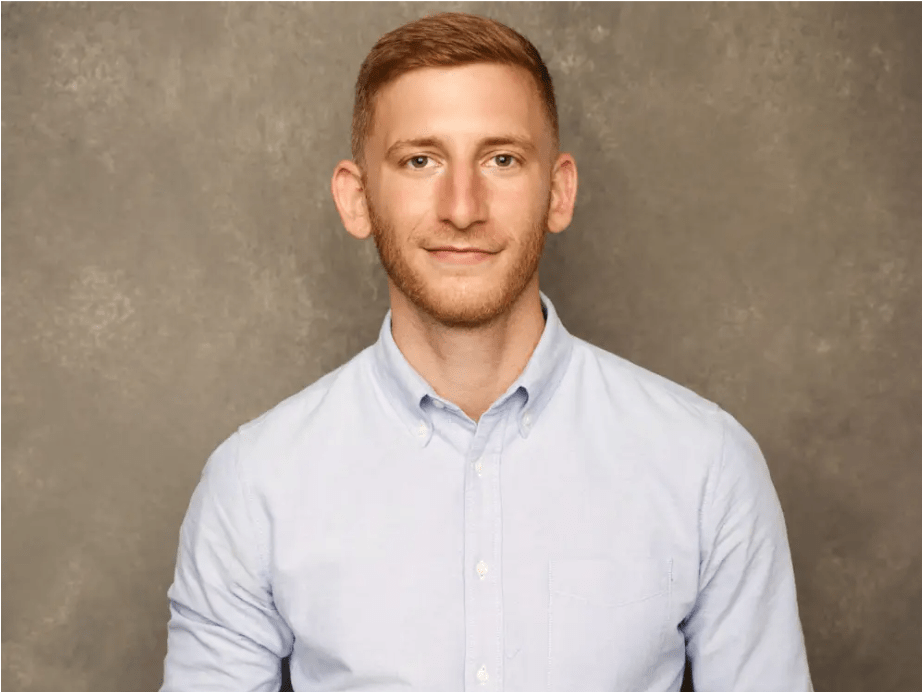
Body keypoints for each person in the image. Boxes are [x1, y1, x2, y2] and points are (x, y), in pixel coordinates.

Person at [160, 11, 814, 692]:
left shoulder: (705, 465)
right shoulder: (254, 485)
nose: (463, 207)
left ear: (558, 191)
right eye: (420, 161)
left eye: (502, 159)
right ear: (357, 200)